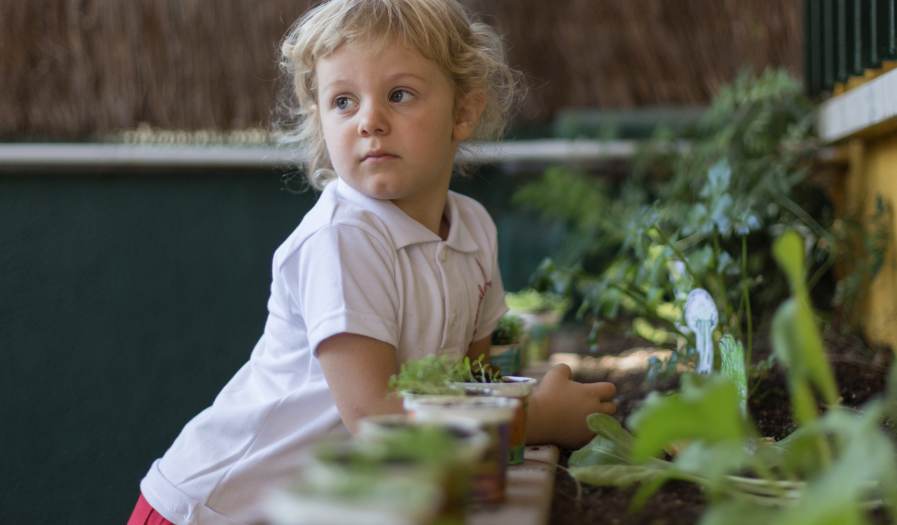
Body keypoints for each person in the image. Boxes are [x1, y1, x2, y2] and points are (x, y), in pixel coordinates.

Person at [126, 1, 617, 524]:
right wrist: (538, 417)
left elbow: (471, 382)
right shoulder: (343, 239)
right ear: (320, 119)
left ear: (463, 112)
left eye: (399, 95)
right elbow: (378, 422)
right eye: (343, 101)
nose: (370, 121)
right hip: (211, 509)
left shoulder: (474, 229)